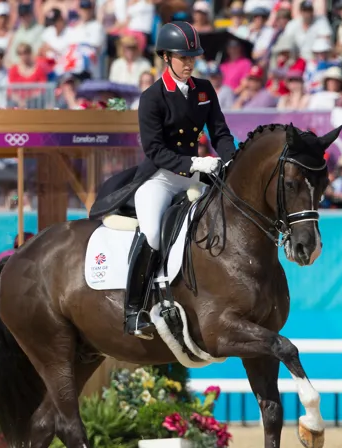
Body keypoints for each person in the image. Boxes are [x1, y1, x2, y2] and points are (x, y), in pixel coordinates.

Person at [90, 21, 237, 339]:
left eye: (192, 57)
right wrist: (194, 162)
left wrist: (229, 159)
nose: (189, 63)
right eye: (183, 57)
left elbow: (221, 132)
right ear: (166, 58)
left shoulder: (204, 90)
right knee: (154, 233)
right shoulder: (152, 97)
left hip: (198, 173)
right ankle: (134, 311)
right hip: (161, 177)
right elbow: (155, 151)